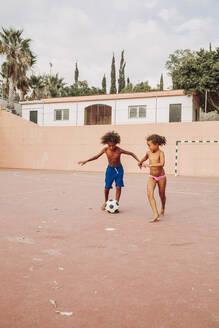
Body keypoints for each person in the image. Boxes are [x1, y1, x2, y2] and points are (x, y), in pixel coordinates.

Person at [78, 131, 140, 210]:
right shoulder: (105, 149)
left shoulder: (119, 150)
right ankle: (106, 202)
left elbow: (131, 153)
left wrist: (139, 161)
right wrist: (86, 160)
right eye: (109, 145)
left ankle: (116, 204)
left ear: (116, 143)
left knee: (118, 187)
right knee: (107, 188)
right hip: (110, 170)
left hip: (119, 169)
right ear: (107, 143)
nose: (111, 147)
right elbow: (96, 156)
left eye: (113, 145)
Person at [138, 134, 167, 222]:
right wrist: (140, 162)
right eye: (148, 145)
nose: (149, 147)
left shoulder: (161, 153)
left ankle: (162, 207)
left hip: (161, 177)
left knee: (161, 194)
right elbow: (145, 158)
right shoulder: (148, 153)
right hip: (152, 177)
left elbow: (162, 164)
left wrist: (150, 165)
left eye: (150, 145)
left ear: (156, 144)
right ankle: (155, 214)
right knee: (150, 194)